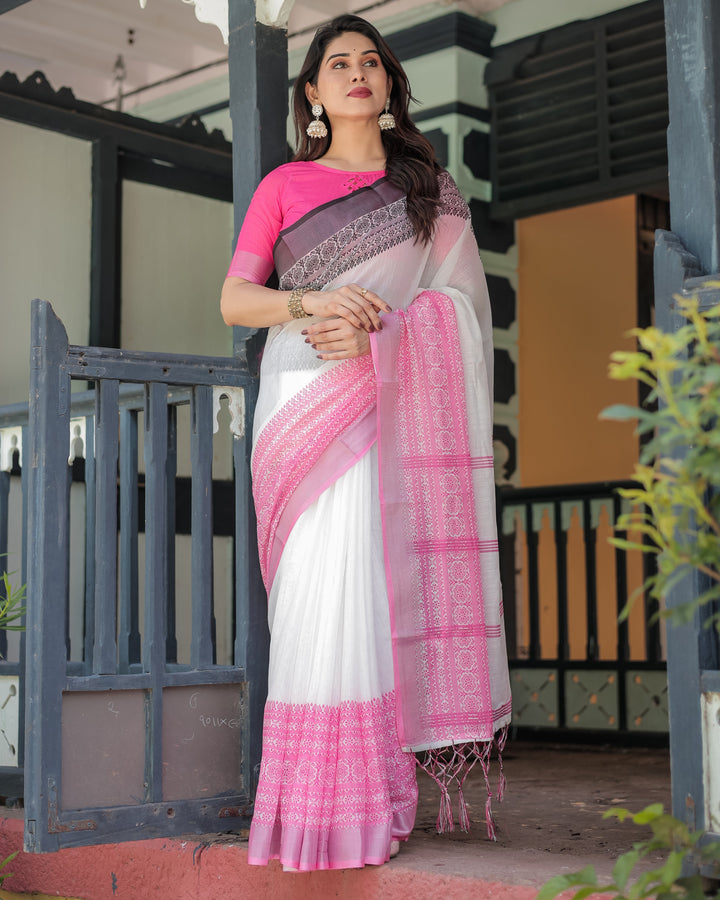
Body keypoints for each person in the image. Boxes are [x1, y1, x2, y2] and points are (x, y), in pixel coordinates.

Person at [220, 13, 511, 873]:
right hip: (302, 398)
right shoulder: (283, 184)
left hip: (385, 403)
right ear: (312, 92)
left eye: (371, 63)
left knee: (372, 597)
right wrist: (318, 306)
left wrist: (384, 333)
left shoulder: (429, 191)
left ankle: (371, 805)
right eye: (336, 63)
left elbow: (462, 309)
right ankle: (309, 808)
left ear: (389, 86)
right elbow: (238, 300)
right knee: (315, 597)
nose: (356, 73)